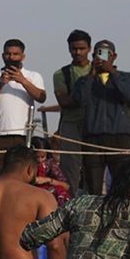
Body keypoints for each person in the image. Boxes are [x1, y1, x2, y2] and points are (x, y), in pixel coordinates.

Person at [70, 39, 130, 194]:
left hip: (119, 137)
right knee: (93, 185)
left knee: (122, 183)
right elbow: (81, 100)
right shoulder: (84, 81)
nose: (102, 58)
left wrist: (112, 73)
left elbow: (128, 96)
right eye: (98, 54)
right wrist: (91, 75)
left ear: (114, 56)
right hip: (93, 138)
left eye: (106, 54)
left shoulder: (126, 77)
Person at [0, 39, 46, 176]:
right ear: (3, 56)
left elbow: (41, 97)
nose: (12, 57)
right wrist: (0, 85)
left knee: (19, 175)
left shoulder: (33, 76)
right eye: (8, 54)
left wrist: (23, 81)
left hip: (21, 134)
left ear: (23, 56)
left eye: (16, 54)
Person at [51, 30, 94, 198]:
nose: (78, 52)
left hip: (94, 126)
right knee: (70, 171)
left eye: (82, 48)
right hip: (71, 126)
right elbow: (64, 101)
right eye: (74, 49)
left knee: (94, 169)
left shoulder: (100, 71)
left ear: (89, 49)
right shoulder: (61, 74)